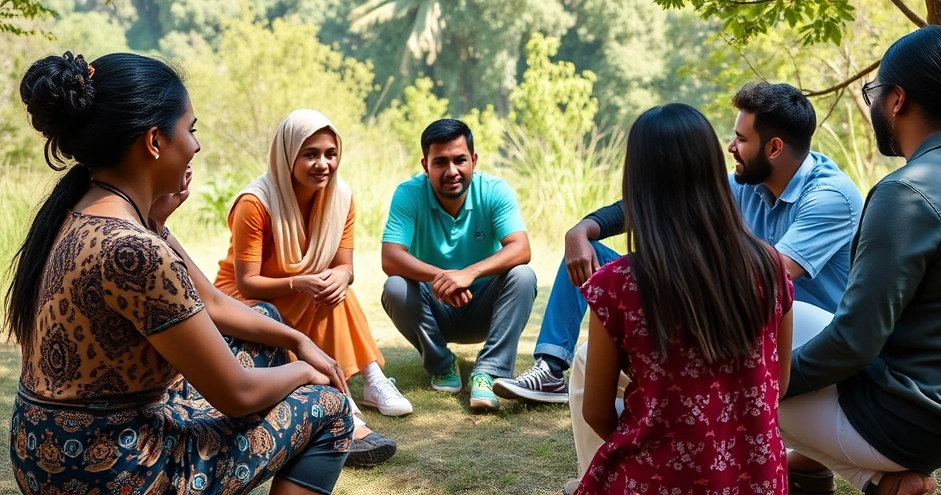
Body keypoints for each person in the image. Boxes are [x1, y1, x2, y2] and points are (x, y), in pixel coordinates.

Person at [6, 52, 353, 495]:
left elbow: (209, 302)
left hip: (45, 452)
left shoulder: (81, 209)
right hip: (114, 471)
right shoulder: (135, 250)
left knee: (263, 322)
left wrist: (297, 340)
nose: (195, 145)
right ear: (154, 141)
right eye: (190, 130)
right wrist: (309, 371)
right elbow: (237, 394)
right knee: (330, 406)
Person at [495, 82, 860, 406]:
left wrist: (657, 287)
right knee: (589, 261)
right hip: (735, 314)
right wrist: (582, 230)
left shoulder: (828, 197)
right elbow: (663, 203)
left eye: (742, 140)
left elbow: (770, 276)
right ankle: (549, 367)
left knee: (627, 310)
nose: (731, 147)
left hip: (797, 330)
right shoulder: (747, 182)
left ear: (775, 147)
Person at [781, 26, 941, 495]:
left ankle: (871, 472)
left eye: (873, 92)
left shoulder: (908, 193)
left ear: (895, 100)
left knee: (725, 377)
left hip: (906, 419)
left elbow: (855, 343)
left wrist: (765, 382)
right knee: (787, 320)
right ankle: (876, 481)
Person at [576, 103, 794, 494]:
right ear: (712, 171)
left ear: (637, 181)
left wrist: (655, 436)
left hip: (656, 480)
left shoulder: (619, 285)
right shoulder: (770, 267)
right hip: (759, 481)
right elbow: (777, 385)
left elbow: (595, 412)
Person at [214, 109, 408, 468]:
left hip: (303, 290)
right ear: (288, 155)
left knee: (337, 291)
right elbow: (245, 281)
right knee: (314, 293)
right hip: (249, 297)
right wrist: (298, 281)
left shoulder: (341, 197)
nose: (323, 164)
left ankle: (371, 379)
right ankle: (341, 396)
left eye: (330, 154)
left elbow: (345, 266)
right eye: (310, 154)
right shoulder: (254, 203)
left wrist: (341, 276)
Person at [380, 118, 537, 411]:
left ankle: (488, 372)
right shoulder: (408, 193)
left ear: (474, 161)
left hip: (485, 309)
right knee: (395, 286)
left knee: (523, 276)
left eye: (460, 160)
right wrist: (445, 278)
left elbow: (521, 248)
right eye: (440, 162)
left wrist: (470, 273)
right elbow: (390, 257)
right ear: (425, 165)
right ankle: (442, 363)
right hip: (435, 308)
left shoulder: (495, 190)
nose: (451, 171)